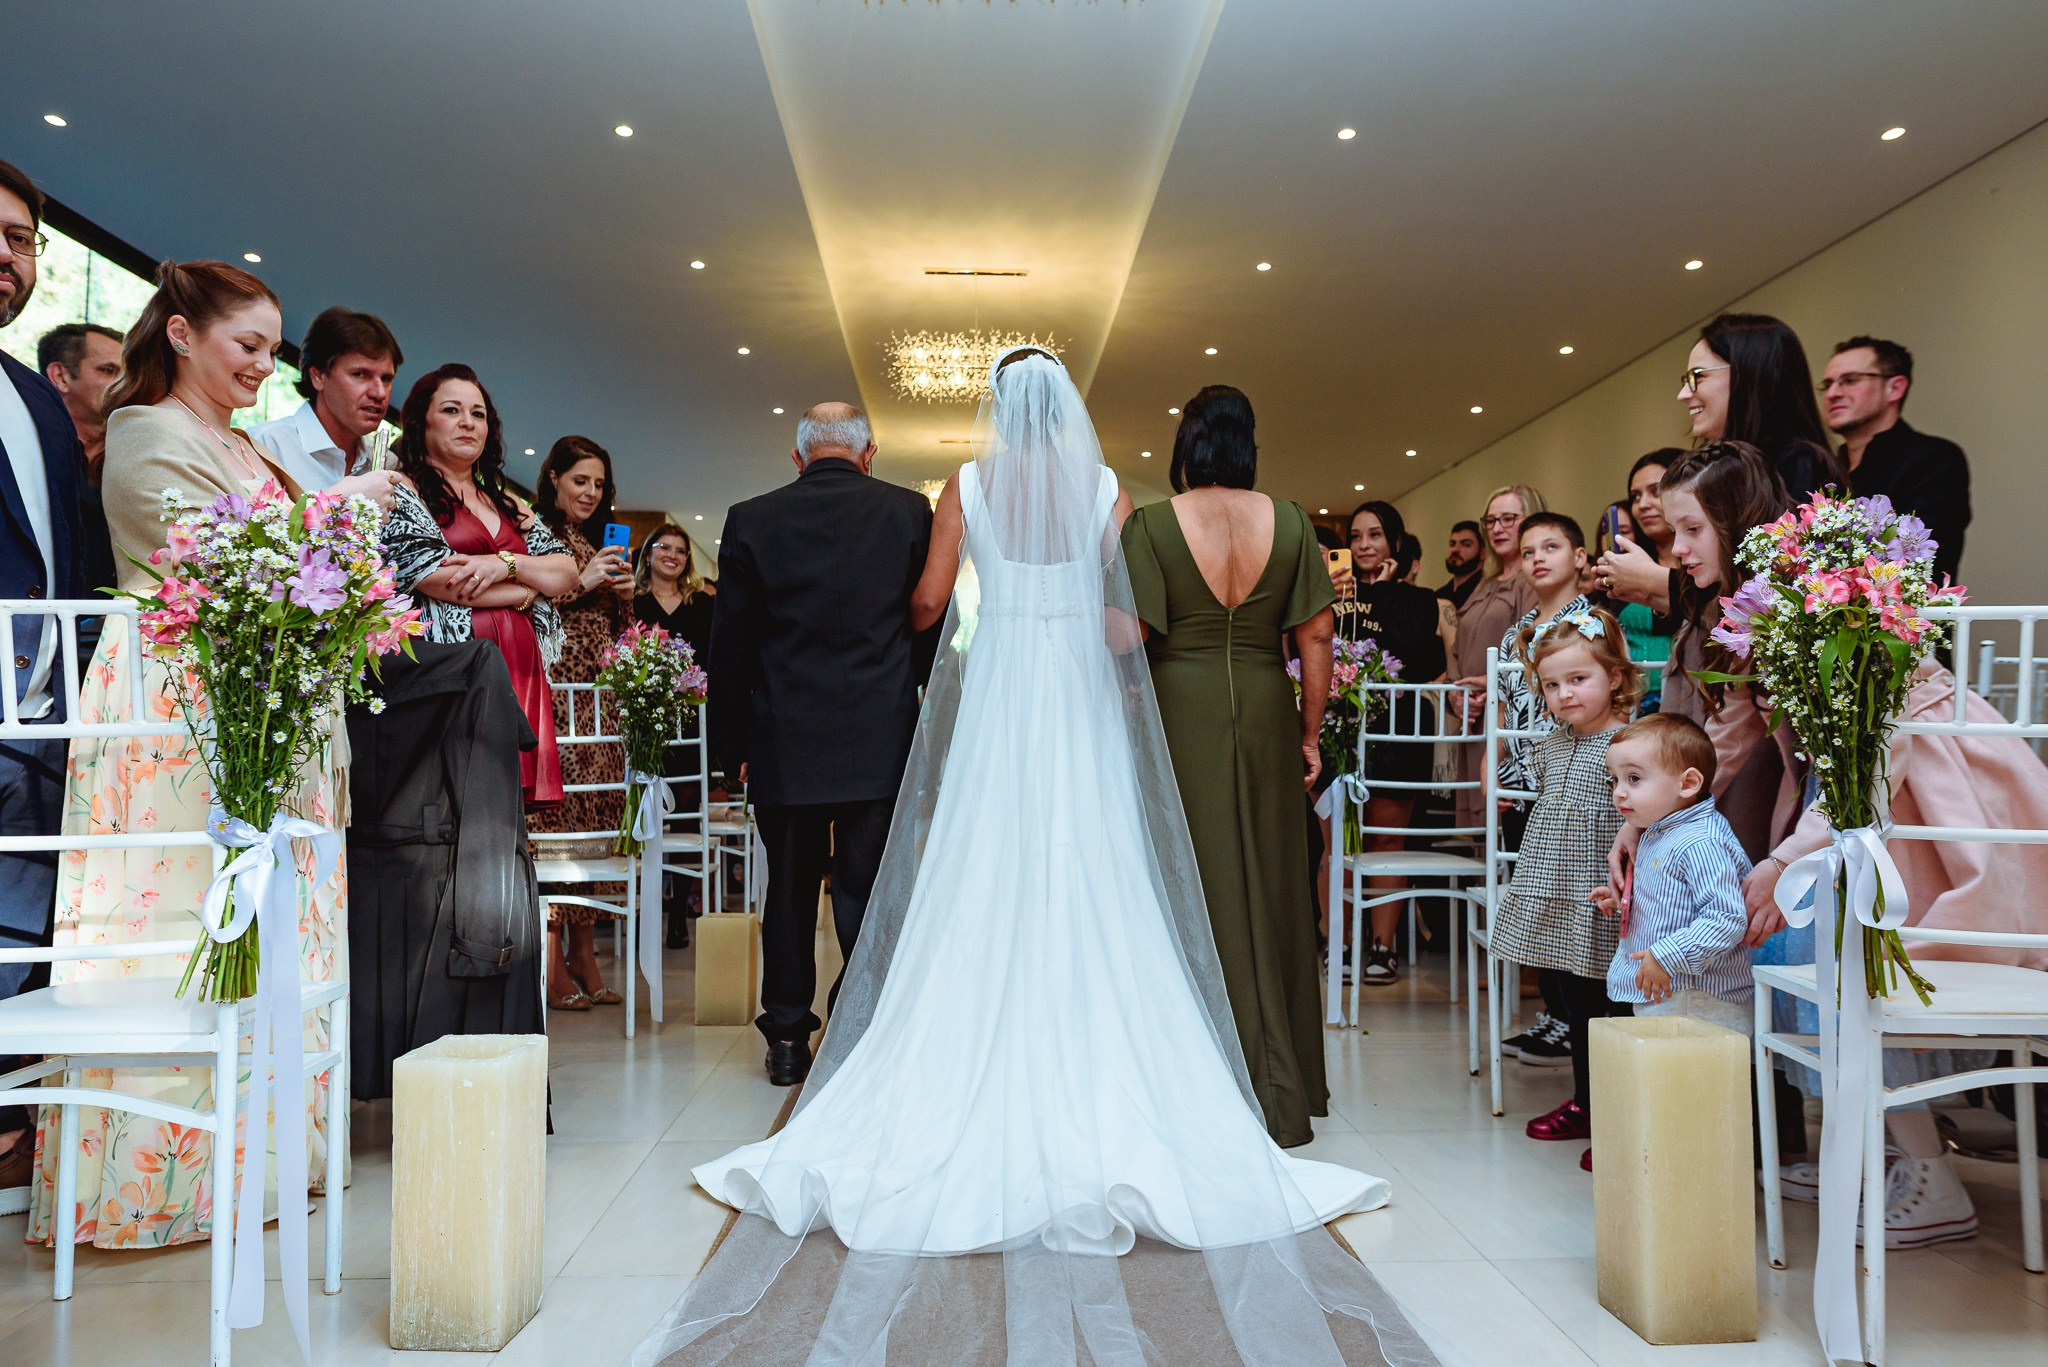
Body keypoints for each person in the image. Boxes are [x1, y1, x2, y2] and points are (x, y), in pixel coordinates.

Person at [636, 346, 1432, 1367]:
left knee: (981, 859)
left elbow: (927, 601)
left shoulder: (965, 484)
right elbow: (1121, 606)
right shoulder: (1104, 486)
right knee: (1097, 860)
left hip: (1002, 687)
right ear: (1064, 411)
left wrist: (968, 613)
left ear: (992, 409)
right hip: (1079, 691)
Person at [27, 257, 391, 1249]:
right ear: (182, 334)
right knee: (187, 919)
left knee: (269, 925)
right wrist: (345, 511)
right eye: (249, 346)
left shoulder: (244, 448)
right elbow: (210, 559)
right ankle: (164, 1177)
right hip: (183, 712)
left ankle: (263, 1157)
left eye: (272, 352)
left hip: (262, 700)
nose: (263, 368)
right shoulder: (149, 429)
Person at [1742, 656, 2048, 1248]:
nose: (1676, 554)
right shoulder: (1842, 643)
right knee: (1813, 949)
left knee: (1848, 963)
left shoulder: (1875, 662)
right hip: (1867, 839)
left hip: (1899, 856)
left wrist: (1786, 859)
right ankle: (1885, 1154)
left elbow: (1869, 788)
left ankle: (1932, 1179)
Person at [1121, 384, 1336, 1147]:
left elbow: (1133, 633)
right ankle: (1285, 1078)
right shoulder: (1291, 521)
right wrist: (1309, 733)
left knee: (1192, 874)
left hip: (1183, 704)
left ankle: (1197, 1073)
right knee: (1274, 884)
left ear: (1187, 443)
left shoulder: (1151, 523)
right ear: (1249, 444)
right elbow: (1315, 636)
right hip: (1264, 698)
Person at [708, 402, 933, 1086]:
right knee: (866, 888)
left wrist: (729, 748)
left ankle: (785, 1037)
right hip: (881, 733)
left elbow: (732, 646)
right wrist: (927, 721)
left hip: (786, 735)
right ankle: (857, 1027)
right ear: (869, 453)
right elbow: (927, 625)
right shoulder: (907, 513)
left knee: (791, 889)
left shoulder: (753, 518)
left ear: (798, 455)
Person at [0, 160, 88, 1193]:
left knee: (22, 933)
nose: (6, 255)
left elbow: (78, 565)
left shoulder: (32, 398)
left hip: (39, 725)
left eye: (22, 240)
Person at [382, 363, 577, 805]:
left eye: (479, 413)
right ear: (421, 420)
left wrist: (503, 563)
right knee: (453, 804)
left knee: (505, 814)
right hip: (452, 666)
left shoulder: (506, 502)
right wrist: (528, 590)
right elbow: (434, 577)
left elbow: (565, 571)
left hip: (519, 669)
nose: (468, 422)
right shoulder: (403, 489)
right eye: (452, 410)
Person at [1486, 608, 1640, 1161]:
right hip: (1557, 890)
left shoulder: (1631, 743)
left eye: (1579, 680)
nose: (1565, 695)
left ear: (1615, 677)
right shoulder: (1551, 744)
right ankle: (1586, 1102)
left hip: (1604, 895)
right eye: (1552, 685)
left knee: (1609, 1005)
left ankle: (1620, 1117)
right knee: (1574, 1000)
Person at [527, 435, 634, 1010]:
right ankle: (550, 956)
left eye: (598, 483)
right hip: (556, 691)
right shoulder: (536, 537)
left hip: (602, 696)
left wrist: (626, 593)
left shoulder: (601, 541)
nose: (590, 492)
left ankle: (586, 952)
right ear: (554, 480)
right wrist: (583, 581)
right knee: (558, 819)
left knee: (598, 817)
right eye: (579, 481)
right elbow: (525, 603)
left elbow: (621, 631)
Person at [1326, 499, 1447, 987]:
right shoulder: (1333, 596)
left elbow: (1415, 656)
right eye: (1355, 537)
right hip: (1342, 728)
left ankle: (1383, 946)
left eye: (1374, 535)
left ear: (1394, 543)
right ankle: (1344, 942)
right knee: (1341, 843)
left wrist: (1380, 592)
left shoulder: (1418, 600)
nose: (1363, 545)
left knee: (1385, 840)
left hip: (1398, 731)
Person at [1822, 335, 1970, 587]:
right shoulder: (1822, 466)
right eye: (1827, 385)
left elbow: (1917, 560)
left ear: (1895, 388)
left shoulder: (1933, 458)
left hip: (1904, 620)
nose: (1833, 393)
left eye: (1850, 380)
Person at [1449, 485, 1542, 835]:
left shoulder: (1532, 579)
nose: (1497, 528)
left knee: (1506, 831)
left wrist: (1493, 684)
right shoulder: (1485, 581)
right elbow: (1456, 645)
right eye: (1490, 521)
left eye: (1508, 519)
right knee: (1480, 836)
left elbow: (1534, 643)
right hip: (1473, 718)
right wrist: (1456, 693)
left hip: (1509, 716)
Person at [1677, 312, 1846, 503]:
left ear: (1750, 375)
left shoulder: (1796, 465)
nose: (1682, 395)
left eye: (1698, 377)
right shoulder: (1723, 469)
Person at [248, 306, 402, 491]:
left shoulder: (386, 462)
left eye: (386, 379)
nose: (379, 393)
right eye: (360, 374)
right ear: (318, 376)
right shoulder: (266, 445)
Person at [34, 322, 120, 598]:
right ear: (60, 376)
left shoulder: (132, 453)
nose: (124, 382)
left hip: (117, 620)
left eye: (129, 373)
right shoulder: (28, 450)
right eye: (109, 370)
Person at [1598, 449, 1687, 709]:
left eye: (1655, 491)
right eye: (1635, 496)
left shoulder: (1708, 565)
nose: (1643, 504)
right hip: (1630, 704)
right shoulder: (1626, 563)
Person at [633, 521, 716, 662]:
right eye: (664, 547)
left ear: (687, 559)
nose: (672, 555)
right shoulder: (631, 599)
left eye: (681, 551)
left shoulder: (703, 603)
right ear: (647, 554)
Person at [1436, 518, 1483, 609]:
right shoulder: (1439, 596)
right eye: (1452, 544)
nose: (1455, 550)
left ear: (1483, 553)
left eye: (1466, 544)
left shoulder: (1488, 593)